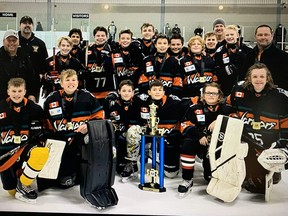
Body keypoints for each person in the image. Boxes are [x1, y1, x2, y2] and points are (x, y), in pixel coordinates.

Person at [38, 69, 104, 191]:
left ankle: (78, 177)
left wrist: (89, 126)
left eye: (73, 80)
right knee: (53, 146)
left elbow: (100, 115)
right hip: (59, 135)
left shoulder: (87, 96)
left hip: (80, 135)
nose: (71, 83)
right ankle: (53, 179)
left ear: (78, 82)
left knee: (80, 145)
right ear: (61, 83)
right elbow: (45, 121)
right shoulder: (52, 98)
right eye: (67, 80)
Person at [226, 63, 288, 194]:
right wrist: (232, 117)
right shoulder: (238, 91)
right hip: (247, 143)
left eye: (262, 76)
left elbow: (285, 124)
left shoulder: (280, 97)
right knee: (250, 182)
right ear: (249, 78)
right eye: (255, 76)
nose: (258, 80)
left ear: (268, 78)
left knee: (265, 182)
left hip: (268, 146)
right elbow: (228, 107)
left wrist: (282, 144)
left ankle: (270, 170)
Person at [179, 82, 236, 197]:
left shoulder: (227, 109)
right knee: (187, 145)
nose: (211, 95)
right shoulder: (194, 108)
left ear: (219, 95)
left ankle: (218, 177)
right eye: (208, 93)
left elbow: (237, 121)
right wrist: (199, 135)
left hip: (219, 144)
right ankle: (187, 179)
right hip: (200, 140)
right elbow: (184, 125)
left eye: (214, 93)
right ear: (203, 95)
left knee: (208, 177)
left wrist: (221, 120)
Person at [0, 77, 49, 203]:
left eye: (20, 91)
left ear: (25, 91)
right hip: (6, 151)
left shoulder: (35, 108)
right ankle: (18, 179)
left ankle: (23, 183)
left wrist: (41, 133)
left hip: (25, 147)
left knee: (41, 153)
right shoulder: (1, 107)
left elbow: (47, 127)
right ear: (8, 91)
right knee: (11, 191)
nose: (17, 94)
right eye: (14, 91)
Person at [103, 80, 142, 180]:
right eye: (124, 91)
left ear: (133, 92)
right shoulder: (113, 105)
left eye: (129, 91)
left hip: (136, 132)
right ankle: (116, 163)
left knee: (132, 132)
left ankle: (132, 163)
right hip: (121, 132)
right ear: (119, 91)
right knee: (116, 135)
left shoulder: (139, 103)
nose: (126, 93)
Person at [241, 24, 288, 91]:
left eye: (266, 35)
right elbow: (242, 77)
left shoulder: (283, 57)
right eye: (260, 35)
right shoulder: (248, 56)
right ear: (255, 37)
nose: (263, 37)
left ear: (272, 37)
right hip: (251, 95)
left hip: (274, 96)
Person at [79, 26, 117, 105]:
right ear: (94, 37)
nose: (100, 38)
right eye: (98, 36)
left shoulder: (112, 48)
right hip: (91, 89)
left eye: (103, 36)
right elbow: (80, 68)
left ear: (106, 37)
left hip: (107, 89)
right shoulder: (86, 50)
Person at [0, 29, 39, 102]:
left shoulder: (25, 58)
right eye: (9, 40)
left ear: (18, 42)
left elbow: (33, 78)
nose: (11, 43)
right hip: (2, 99)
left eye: (14, 40)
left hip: (22, 98)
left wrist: (32, 94)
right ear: (3, 42)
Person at [214, 25, 253, 96]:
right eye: (227, 35)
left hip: (244, 86)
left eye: (232, 34)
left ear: (237, 35)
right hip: (226, 88)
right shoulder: (220, 51)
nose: (229, 37)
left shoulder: (247, 49)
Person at [18, 16, 48, 101]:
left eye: (29, 23)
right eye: (24, 23)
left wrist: (43, 82)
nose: (27, 25)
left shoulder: (40, 43)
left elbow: (44, 64)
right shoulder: (14, 42)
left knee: (32, 108)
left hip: (34, 83)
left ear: (32, 26)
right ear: (20, 25)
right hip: (16, 82)